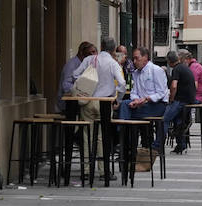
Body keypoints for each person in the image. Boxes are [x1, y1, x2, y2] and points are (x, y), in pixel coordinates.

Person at [74, 38, 126, 175]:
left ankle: (86, 169)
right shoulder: (113, 63)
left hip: (88, 100)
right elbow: (122, 84)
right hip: (104, 102)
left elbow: (75, 75)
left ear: (101, 46)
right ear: (114, 49)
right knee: (102, 136)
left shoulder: (89, 60)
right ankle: (103, 171)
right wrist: (118, 100)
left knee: (87, 135)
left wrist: (85, 87)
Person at [123, 47, 169, 149]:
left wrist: (146, 99)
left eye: (137, 58)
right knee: (126, 107)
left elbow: (161, 92)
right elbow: (134, 91)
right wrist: (136, 100)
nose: (134, 61)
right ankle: (128, 142)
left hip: (157, 105)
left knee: (125, 106)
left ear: (145, 58)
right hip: (143, 104)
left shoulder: (156, 70)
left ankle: (123, 137)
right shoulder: (136, 73)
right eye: (133, 59)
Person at [165, 50, 197, 154]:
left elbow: (174, 86)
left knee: (164, 119)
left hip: (182, 100)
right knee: (178, 121)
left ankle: (157, 145)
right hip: (189, 100)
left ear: (169, 62)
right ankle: (181, 145)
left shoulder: (176, 69)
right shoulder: (185, 68)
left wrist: (171, 99)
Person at [57, 41, 95, 116]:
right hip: (67, 104)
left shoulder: (83, 64)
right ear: (81, 52)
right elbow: (66, 86)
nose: (92, 55)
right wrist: (81, 91)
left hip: (79, 102)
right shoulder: (72, 65)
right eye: (90, 53)